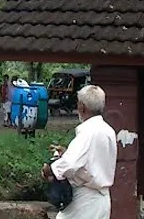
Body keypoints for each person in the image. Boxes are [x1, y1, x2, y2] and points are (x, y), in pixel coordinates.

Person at [41, 85, 117, 219]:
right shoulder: (108, 130)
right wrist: (67, 152)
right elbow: (92, 159)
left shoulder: (88, 132)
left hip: (85, 200)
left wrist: (50, 169)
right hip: (102, 200)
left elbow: (69, 164)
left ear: (82, 107)